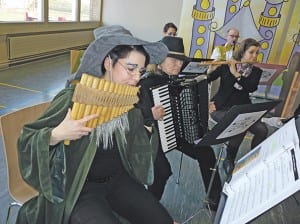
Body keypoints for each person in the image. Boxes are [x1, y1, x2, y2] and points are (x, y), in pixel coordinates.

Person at [16, 25, 179, 224]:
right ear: (108, 62)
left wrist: (145, 127)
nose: (136, 77)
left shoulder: (126, 101)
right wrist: (56, 134)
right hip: (80, 189)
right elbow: (27, 139)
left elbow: (133, 146)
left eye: (141, 71)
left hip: (118, 180)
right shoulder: (73, 99)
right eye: (130, 68)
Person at [138, 36, 222, 211]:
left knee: (206, 152)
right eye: (173, 60)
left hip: (174, 132)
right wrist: (150, 114)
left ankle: (215, 199)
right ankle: (147, 208)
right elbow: (132, 116)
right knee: (162, 171)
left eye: (181, 61)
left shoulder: (177, 79)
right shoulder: (145, 82)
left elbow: (186, 105)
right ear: (159, 59)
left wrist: (203, 107)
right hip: (152, 138)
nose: (178, 65)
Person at [207, 38, 268, 176]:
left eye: (257, 53)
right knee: (240, 126)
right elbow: (206, 80)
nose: (255, 56)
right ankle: (229, 159)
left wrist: (235, 73)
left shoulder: (256, 71)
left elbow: (250, 88)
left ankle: (253, 158)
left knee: (262, 130)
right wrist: (209, 69)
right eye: (251, 52)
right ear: (242, 53)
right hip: (220, 108)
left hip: (243, 109)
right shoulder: (225, 67)